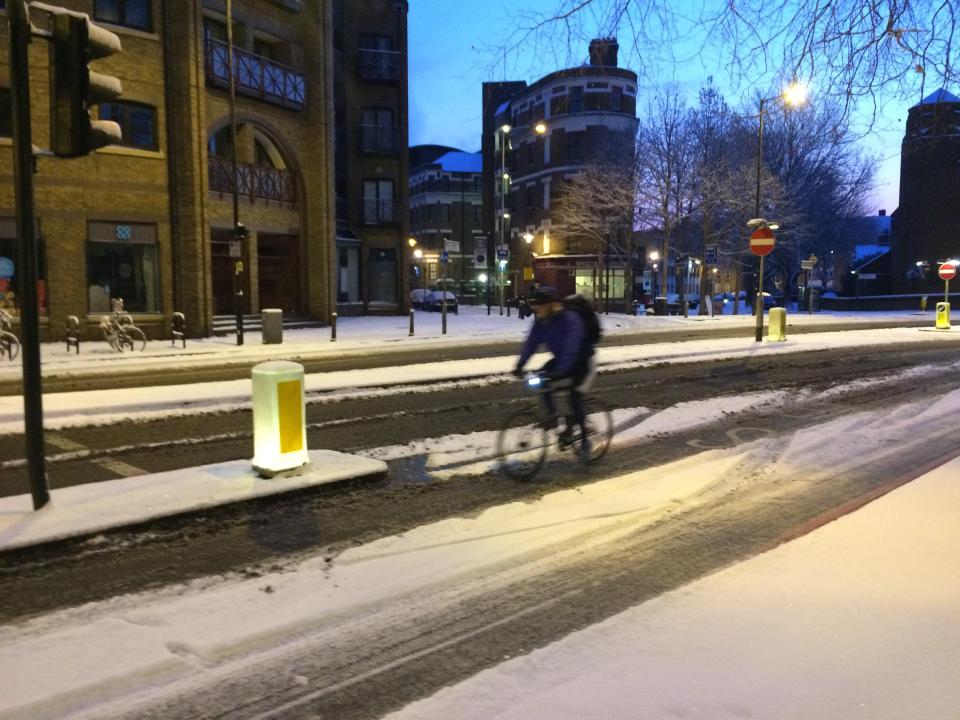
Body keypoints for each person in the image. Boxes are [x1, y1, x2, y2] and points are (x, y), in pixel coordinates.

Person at [513, 287, 598, 457]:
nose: (536, 309)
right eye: (535, 306)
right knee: (541, 380)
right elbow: (530, 343)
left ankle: (585, 441)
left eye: (540, 305)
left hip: (583, 363)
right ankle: (554, 418)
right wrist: (520, 365)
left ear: (552, 304)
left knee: (574, 397)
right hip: (561, 362)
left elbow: (571, 348)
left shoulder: (570, 319)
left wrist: (560, 371)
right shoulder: (541, 322)